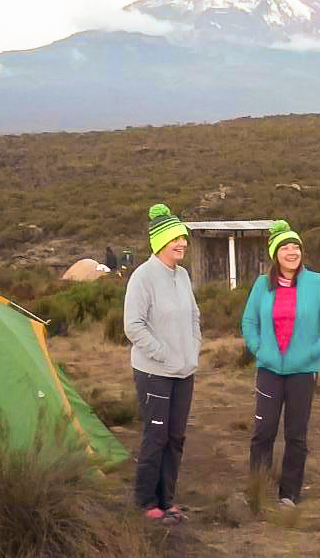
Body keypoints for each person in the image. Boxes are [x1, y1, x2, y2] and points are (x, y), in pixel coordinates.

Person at [241, 220, 320, 507]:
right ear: (275, 253)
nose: (292, 251)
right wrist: (259, 348)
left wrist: (314, 352)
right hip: (269, 370)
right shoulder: (262, 284)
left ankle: (289, 494)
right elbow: (248, 321)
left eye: (296, 246)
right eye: (285, 247)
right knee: (263, 432)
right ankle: (257, 490)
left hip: (303, 372)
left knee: (296, 434)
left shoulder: (318, 283)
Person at [124, 203, 200, 525]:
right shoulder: (143, 277)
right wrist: (166, 355)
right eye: (174, 239)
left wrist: (193, 349)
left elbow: (194, 315)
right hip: (154, 373)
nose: (181, 244)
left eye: (183, 238)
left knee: (176, 437)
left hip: (184, 373)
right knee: (156, 437)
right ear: (159, 243)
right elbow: (133, 326)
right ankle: (146, 501)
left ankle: (168, 499)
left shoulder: (182, 275)